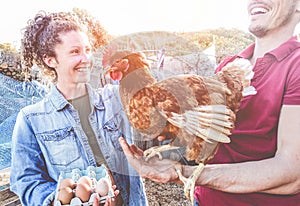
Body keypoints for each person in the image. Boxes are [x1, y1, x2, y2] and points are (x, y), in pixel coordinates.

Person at [119, 0, 300, 205]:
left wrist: (187, 173)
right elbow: (209, 139)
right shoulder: (229, 65)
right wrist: (172, 136)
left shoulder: (296, 66)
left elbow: (292, 175)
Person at [9, 10, 147, 206]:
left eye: (88, 50)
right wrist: (65, 198)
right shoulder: (32, 119)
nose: (86, 59)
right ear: (50, 60)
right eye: (75, 52)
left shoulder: (116, 98)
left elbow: (151, 133)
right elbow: (26, 181)